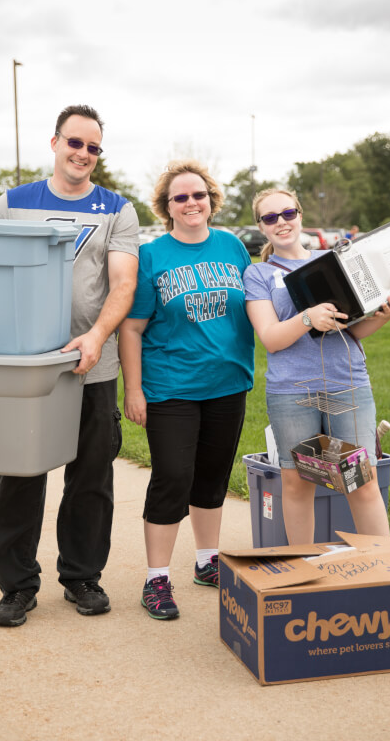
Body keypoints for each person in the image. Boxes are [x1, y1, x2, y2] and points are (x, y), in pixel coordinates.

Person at [0, 105, 140, 626]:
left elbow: (123, 283)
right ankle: (16, 587)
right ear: (54, 143)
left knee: (91, 477)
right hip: (27, 368)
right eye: (75, 142)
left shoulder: (117, 209)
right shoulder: (13, 203)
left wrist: (96, 336)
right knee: (21, 475)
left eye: (94, 147)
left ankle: (81, 577)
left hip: (91, 366)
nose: (83, 154)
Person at [118, 160, 254, 620]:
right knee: (173, 476)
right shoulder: (153, 255)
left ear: (211, 200)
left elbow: (256, 305)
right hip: (170, 386)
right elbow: (132, 328)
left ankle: (207, 561)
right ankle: (156, 579)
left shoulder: (233, 247)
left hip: (227, 384)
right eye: (181, 197)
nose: (191, 203)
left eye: (199, 195)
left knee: (213, 476)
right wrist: (133, 389)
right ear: (167, 206)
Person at [243, 188, 390, 544]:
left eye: (288, 213)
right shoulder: (258, 274)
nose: (281, 222)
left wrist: (383, 315)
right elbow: (270, 338)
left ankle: (383, 563)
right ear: (261, 226)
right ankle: (305, 564)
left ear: (300, 215)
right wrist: (307, 318)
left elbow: (353, 330)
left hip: (347, 384)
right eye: (270, 217)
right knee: (298, 482)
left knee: (360, 481)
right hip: (292, 392)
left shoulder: (333, 259)